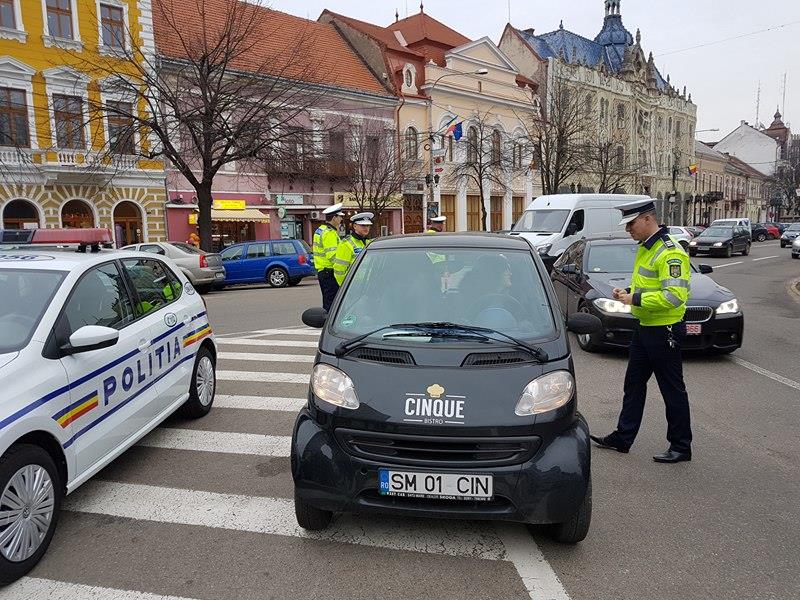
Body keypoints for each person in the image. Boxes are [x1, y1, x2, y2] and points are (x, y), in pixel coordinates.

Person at [590, 199, 693, 464]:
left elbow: (674, 297)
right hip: (645, 327)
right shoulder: (647, 247)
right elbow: (648, 284)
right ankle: (623, 438)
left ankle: (681, 446)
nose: (628, 230)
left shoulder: (670, 252)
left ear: (648, 219)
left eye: (631, 224)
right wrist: (627, 291)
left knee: (672, 390)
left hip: (665, 330)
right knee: (633, 385)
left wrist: (634, 299)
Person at [313, 203, 343, 312]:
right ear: (334, 218)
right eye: (340, 217)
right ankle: (329, 322)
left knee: (328, 301)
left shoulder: (320, 229)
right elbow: (333, 256)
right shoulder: (329, 233)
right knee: (332, 304)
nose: (341, 219)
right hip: (330, 272)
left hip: (323, 271)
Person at [334, 212, 373, 285]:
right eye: (363, 225)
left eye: (368, 225)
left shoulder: (369, 242)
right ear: (355, 226)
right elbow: (339, 270)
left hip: (369, 283)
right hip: (354, 285)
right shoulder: (346, 244)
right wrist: (346, 287)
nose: (366, 228)